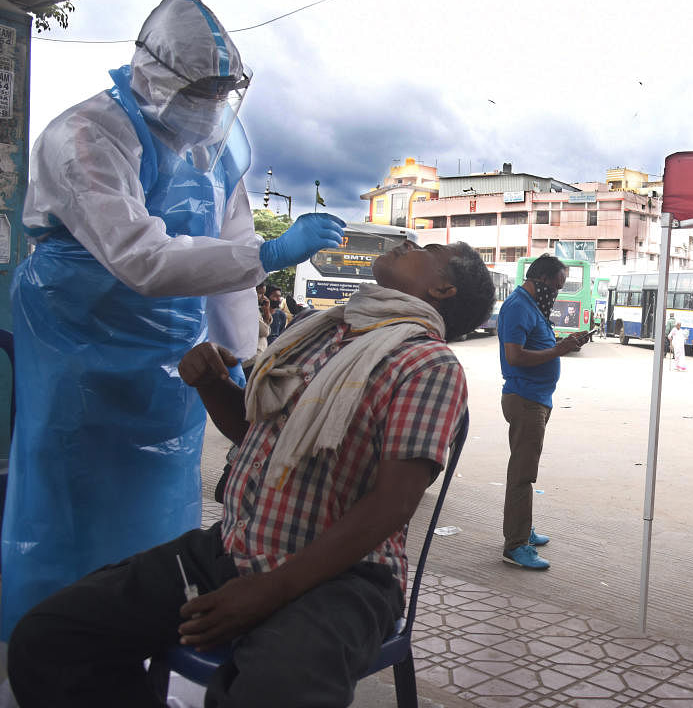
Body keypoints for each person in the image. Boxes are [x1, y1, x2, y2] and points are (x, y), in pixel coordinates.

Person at [7, 239, 496, 707]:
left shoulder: (428, 365)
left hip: (344, 578)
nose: (409, 244)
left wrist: (269, 590)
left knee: (275, 694)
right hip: (233, 547)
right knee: (50, 638)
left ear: (443, 290)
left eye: (428, 252)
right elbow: (254, 433)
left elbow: (392, 504)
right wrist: (212, 384)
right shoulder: (322, 331)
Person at [0, 0, 347, 639]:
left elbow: (229, 267)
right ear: (154, 74)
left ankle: (142, 636)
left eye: (225, 90)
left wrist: (241, 358)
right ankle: (46, 648)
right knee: (72, 495)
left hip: (170, 357)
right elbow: (143, 259)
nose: (215, 103)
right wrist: (271, 251)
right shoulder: (85, 135)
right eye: (204, 88)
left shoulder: (215, 149)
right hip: (82, 342)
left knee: (159, 494)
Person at [498, 255, 591, 570]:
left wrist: (564, 343)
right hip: (524, 399)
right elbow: (515, 357)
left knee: (526, 471)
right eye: (556, 285)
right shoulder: (518, 307)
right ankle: (515, 545)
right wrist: (558, 351)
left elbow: (538, 345)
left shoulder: (532, 306)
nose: (558, 292)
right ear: (540, 278)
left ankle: (522, 528)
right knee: (523, 475)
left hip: (536, 398)